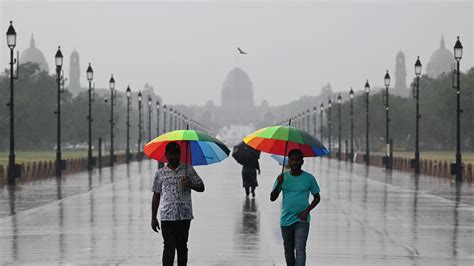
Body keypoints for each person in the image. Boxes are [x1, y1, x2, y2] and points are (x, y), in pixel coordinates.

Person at [151, 142, 205, 266]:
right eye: (171, 154)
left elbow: (202, 187)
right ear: (166, 155)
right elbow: (156, 195)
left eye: (176, 154)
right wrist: (153, 218)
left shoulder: (188, 170)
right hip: (167, 216)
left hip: (184, 216)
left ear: (180, 154)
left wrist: (191, 184)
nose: (174, 157)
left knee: (182, 247)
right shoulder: (160, 173)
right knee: (169, 247)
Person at [270, 149, 321, 266]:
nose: (295, 163)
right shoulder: (282, 177)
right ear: (289, 161)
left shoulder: (309, 178)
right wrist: (278, 183)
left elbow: (317, 197)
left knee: (300, 249)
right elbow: (272, 198)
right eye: (292, 160)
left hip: (302, 220)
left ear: (302, 161)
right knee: (288, 251)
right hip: (286, 221)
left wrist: (306, 211)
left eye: (297, 160)